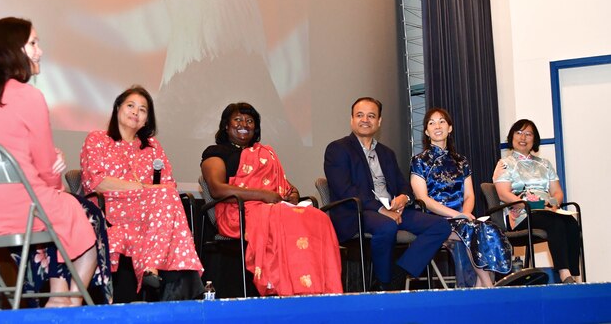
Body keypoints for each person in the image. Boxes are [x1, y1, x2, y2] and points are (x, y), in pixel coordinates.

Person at [0, 17, 105, 307]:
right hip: (24, 210)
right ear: (12, 49)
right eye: (33, 43)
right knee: (85, 217)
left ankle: (57, 299)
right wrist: (55, 178)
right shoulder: (29, 96)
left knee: (60, 214)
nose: (40, 51)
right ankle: (65, 305)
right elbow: (46, 171)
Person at [201, 102, 343, 296]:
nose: (244, 124)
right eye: (238, 119)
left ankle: (318, 288)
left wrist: (292, 194)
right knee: (281, 217)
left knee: (318, 217)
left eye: (250, 121)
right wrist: (263, 195)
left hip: (271, 208)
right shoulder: (216, 153)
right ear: (226, 125)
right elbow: (217, 189)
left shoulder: (264, 154)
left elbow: (284, 186)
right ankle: (284, 287)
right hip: (237, 211)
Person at [80, 85, 204, 302]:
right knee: (165, 199)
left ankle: (154, 273)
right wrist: (145, 189)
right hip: (110, 208)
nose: (136, 112)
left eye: (143, 109)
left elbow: (168, 184)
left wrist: (153, 193)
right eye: (130, 105)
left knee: (168, 196)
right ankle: (175, 287)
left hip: (149, 215)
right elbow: (97, 182)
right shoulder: (97, 139)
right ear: (118, 108)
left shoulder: (152, 147)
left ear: (147, 120)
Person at [324, 97, 451, 291]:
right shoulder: (337, 149)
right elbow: (345, 190)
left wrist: (404, 198)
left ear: (379, 121)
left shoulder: (386, 153)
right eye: (360, 115)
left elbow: (403, 184)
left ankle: (399, 273)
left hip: (393, 211)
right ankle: (383, 284)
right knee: (387, 226)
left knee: (441, 225)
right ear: (351, 120)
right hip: (356, 212)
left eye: (371, 116)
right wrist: (382, 210)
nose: (365, 119)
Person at [410, 108, 512, 288]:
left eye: (442, 121)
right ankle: (489, 287)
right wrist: (455, 215)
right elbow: (422, 199)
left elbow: (469, 195)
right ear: (426, 131)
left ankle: (479, 288)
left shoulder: (461, 161)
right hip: (435, 222)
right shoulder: (419, 161)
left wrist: (465, 213)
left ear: (450, 128)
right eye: (431, 123)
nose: (437, 126)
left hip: (462, 219)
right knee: (472, 231)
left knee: (489, 228)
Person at [493, 119, 582, 283]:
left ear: (534, 139)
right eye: (519, 132)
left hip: (546, 211)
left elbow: (557, 191)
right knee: (554, 222)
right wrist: (528, 205)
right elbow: (503, 194)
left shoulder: (544, 164)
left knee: (570, 222)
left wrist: (554, 202)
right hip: (521, 213)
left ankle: (573, 275)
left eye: (528, 134)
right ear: (512, 137)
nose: (523, 137)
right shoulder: (505, 163)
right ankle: (563, 273)